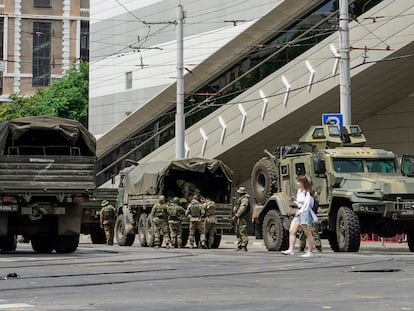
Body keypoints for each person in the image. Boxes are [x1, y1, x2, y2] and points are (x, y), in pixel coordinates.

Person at [282, 175, 318, 257]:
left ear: (303, 182)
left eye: (298, 182)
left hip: (305, 212)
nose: (297, 183)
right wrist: (294, 201)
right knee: (292, 230)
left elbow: (307, 204)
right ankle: (291, 249)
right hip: (299, 211)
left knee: (307, 232)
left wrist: (300, 211)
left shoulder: (307, 192)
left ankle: (310, 252)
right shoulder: (299, 191)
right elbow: (300, 203)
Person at [232, 186, 250, 252]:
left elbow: (242, 208)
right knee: (238, 232)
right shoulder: (241, 198)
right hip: (239, 217)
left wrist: (236, 215)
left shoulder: (245, 199)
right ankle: (240, 245)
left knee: (243, 231)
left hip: (241, 217)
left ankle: (244, 246)